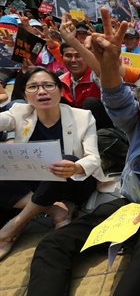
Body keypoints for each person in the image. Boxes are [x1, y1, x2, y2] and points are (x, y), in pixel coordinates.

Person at [28, 8, 140, 296]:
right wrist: (108, 61)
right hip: (128, 202)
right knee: (52, 244)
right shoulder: (136, 123)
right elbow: (116, 97)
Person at [0, 67, 105, 260]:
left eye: (48, 85)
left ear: (60, 90)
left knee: (65, 160)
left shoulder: (83, 116)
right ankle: (56, 210)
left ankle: (15, 225)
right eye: (33, 87)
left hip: (75, 182)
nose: (41, 91)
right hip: (39, 181)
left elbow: (93, 158)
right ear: (24, 94)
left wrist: (75, 167)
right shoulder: (19, 111)